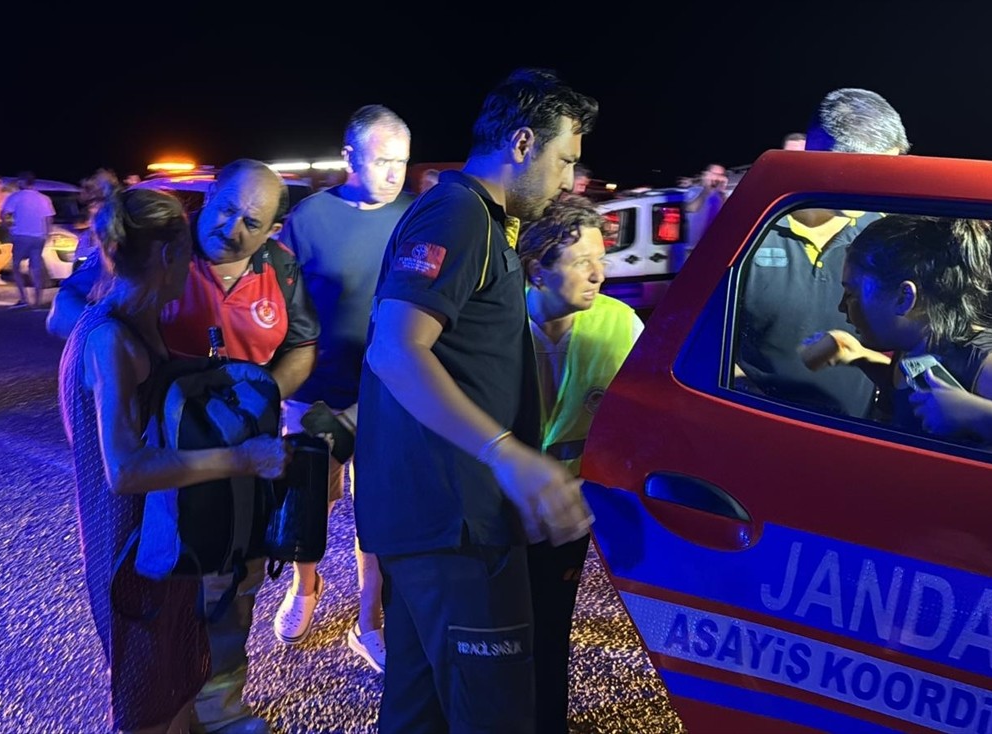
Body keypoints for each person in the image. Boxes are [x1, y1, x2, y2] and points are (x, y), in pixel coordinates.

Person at [355, 68, 597, 734]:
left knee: (420, 713)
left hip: (440, 521)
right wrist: (506, 454)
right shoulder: (458, 212)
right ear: (523, 142)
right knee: (495, 716)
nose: (569, 181)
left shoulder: (483, 221)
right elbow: (395, 349)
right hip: (453, 523)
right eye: (564, 160)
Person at [49, 159, 319, 734]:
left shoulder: (136, 323)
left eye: (254, 219)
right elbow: (124, 470)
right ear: (170, 258)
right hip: (131, 535)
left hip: (161, 522)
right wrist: (242, 456)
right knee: (147, 690)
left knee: (175, 672)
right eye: (225, 210)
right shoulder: (110, 339)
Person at [273, 104, 412, 673]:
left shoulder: (415, 218)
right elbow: (279, 305)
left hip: (388, 395)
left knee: (376, 513)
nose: (394, 173)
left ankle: (369, 620)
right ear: (350, 155)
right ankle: (305, 588)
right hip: (314, 394)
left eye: (402, 161)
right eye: (383, 160)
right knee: (306, 503)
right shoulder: (307, 219)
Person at [518, 195, 643, 734]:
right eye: (579, 263)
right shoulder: (494, 326)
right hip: (496, 506)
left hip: (569, 513)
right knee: (495, 629)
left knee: (550, 627)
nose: (599, 274)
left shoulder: (621, 326)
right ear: (535, 271)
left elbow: (647, 423)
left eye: (602, 258)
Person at [735, 87, 910, 417]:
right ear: (822, 161)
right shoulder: (752, 229)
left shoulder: (884, 229)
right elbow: (705, 348)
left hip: (856, 435)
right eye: (876, 176)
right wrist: (759, 407)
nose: (886, 189)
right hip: (759, 431)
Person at [803, 215, 992, 433]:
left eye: (852, 294)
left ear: (905, 297)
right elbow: (923, 388)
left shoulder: (991, 364)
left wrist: (980, 414)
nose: (841, 307)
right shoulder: (916, 344)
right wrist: (860, 357)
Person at [1, 171, 55, 309]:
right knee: (35, 268)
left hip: (21, 236)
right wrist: (47, 234)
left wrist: (8, 227)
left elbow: (4, 214)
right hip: (39, 237)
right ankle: (37, 301)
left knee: (16, 266)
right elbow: (49, 218)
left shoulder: (15, 197)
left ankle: (24, 298)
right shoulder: (44, 198)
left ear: (21, 182)